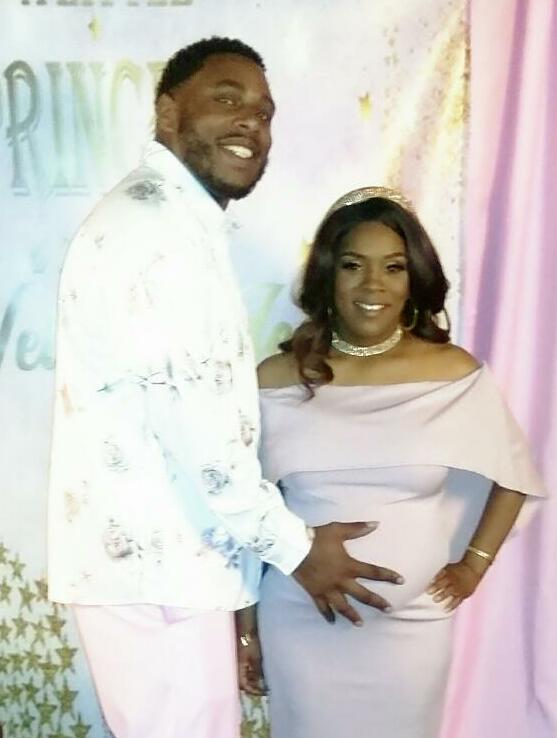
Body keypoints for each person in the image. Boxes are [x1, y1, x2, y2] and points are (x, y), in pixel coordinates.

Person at [47, 42, 404, 738]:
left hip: (164, 573)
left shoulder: (168, 220)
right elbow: (203, 441)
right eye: (227, 99)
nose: (251, 123)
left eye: (264, 113)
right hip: (160, 576)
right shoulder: (159, 233)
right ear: (167, 112)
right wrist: (299, 551)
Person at [237, 186, 545, 738]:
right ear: (328, 275)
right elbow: (242, 512)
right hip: (300, 619)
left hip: (414, 628)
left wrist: (473, 565)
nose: (373, 284)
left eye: (393, 267)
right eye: (353, 265)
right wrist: (245, 629)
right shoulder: (274, 379)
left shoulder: (453, 372)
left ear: (413, 280)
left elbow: (513, 478)